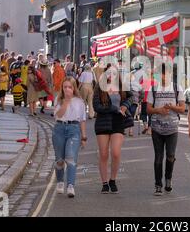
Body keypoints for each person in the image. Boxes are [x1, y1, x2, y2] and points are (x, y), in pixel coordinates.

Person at [93, 65, 133, 194]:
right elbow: (96, 106)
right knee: (103, 154)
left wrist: (124, 106)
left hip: (118, 121)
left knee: (115, 153)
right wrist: (113, 109)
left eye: (114, 73)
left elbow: (132, 97)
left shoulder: (121, 86)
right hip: (103, 122)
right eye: (109, 73)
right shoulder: (99, 87)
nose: (112, 75)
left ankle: (113, 180)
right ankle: (104, 183)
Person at [147, 64, 185, 195]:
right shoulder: (153, 89)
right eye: (160, 74)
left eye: (165, 74)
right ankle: (158, 184)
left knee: (170, 156)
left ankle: (168, 179)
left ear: (170, 74)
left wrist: (171, 107)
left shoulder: (176, 88)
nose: (163, 77)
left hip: (172, 128)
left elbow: (182, 108)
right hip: (157, 128)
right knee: (158, 157)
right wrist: (159, 110)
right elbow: (148, 109)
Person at [52, 77, 87, 198]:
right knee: (60, 160)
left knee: (71, 158)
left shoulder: (79, 101)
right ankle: (60, 181)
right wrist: (66, 101)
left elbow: (82, 120)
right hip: (59, 129)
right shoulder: (59, 99)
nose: (67, 89)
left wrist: (84, 137)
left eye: (69, 87)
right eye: (65, 87)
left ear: (74, 88)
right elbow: (59, 114)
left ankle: (71, 185)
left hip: (74, 129)